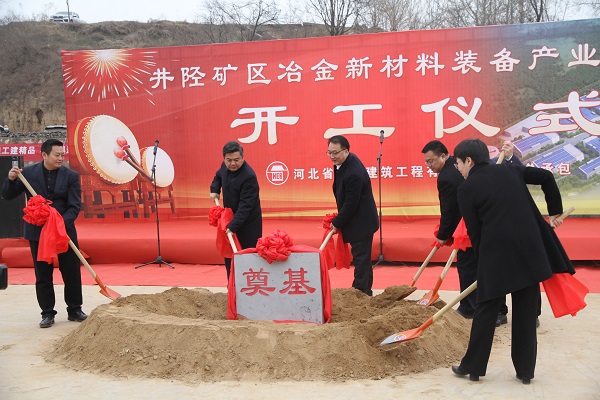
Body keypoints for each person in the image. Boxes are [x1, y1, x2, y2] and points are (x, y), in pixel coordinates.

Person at [451, 138, 574, 384]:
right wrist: (554, 211)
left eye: (458, 163)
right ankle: (525, 372)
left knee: (486, 310)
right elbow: (547, 177)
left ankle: (473, 367)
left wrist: (483, 266)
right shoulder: (510, 170)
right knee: (526, 312)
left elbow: (476, 233)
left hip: (496, 254)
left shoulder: (466, 189)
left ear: (469, 161)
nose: (458, 168)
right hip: (530, 250)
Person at [1, 139, 87, 328]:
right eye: (57, 155)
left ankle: (74, 309)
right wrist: (11, 179)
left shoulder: (71, 176)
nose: (61, 158)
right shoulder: (28, 174)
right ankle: (47, 313)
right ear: (44, 155)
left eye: (62, 155)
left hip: (63, 230)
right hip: (38, 231)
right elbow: (7, 195)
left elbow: (74, 206)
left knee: (71, 272)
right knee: (43, 273)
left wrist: (58, 224)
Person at [421, 140, 477, 319]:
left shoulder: (446, 177)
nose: (429, 165)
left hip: (466, 229)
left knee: (467, 268)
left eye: (431, 161)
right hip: (473, 224)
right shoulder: (455, 165)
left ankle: (469, 308)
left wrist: (443, 235)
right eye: (426, 162)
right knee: (476, 267)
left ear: (443, 156)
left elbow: (449, 210)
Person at [490, 140, 542, 328]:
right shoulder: (486, 169)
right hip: (498, 229)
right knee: (499, 272)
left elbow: (522, 173)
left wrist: (511, 157)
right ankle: (500, 312)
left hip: (523, 227)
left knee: (528, 272)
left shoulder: (513, 167)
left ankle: (530, 313)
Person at [327, 135, 379, 296]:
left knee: (361, 259)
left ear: (346, 151)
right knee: (363, 258)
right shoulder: (344, 162)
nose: (332, 156)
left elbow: (351, 203)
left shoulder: (353, 173)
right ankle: (365, 291)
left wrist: (337, 222)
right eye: (329, 152)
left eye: (335, 153)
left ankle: (360, 292)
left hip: (362, 221)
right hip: (357, 218)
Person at [210, 141, 262, 280]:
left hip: (248, 224)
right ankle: (232, 286)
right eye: (229, 160)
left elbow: (245, 207)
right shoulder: (224, 166)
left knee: (247, 257)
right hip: (230, 219)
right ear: (224, 159)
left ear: (243, 157)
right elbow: (218, 176)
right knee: (230, 256)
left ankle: (249, 287)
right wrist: (215, 190)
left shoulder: (249, 176)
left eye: (236, 160)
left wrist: (232, 226)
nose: (233, 163)